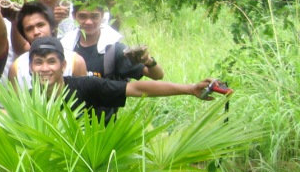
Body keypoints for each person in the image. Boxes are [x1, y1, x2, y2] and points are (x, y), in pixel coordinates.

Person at [27, 37, 214, 120]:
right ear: (30, 67)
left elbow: (136, 89)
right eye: (38, 62)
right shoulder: (24, 100)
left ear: (63, 66)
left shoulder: (85, 87)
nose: (45, 68)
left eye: (51, 61)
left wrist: (189, 89)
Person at [9, 2, 87, 88]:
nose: (36, 32)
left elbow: (82, 97)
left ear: (52, 26)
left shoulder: (75, 62)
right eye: (29, 29)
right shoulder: (17, 68)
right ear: (24, 35)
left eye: (41, 25)